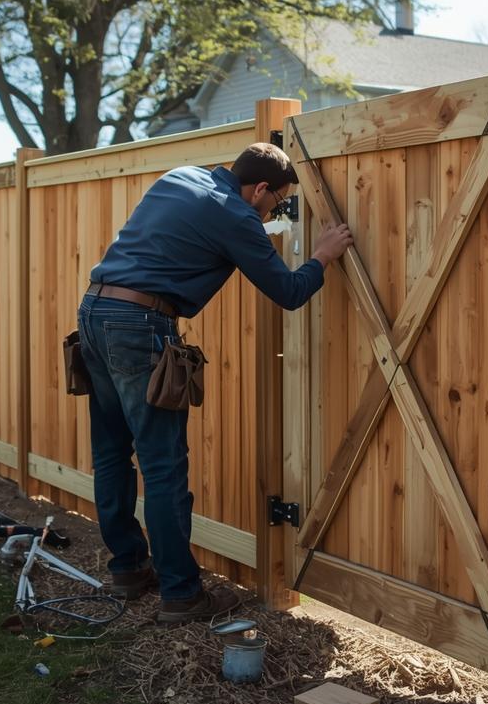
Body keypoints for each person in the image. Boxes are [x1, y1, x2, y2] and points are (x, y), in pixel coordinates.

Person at [77, 143, 354, 622]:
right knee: (163, 467)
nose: (273, 213)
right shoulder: (236, 216)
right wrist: (321, 256)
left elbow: (184, 237)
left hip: (94, 313)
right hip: (139, 326)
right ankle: (181, 594)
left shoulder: (181, 176)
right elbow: (289, 292)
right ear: (261, 188)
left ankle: (128, 569)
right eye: (277, 203)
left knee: (111, 452)